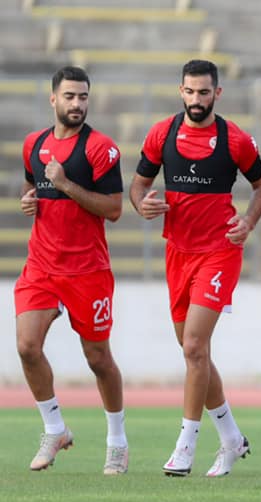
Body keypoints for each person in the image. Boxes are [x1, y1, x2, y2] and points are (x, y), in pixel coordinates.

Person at [130, 59, 261, 477]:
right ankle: (231, 438)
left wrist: (247, 222)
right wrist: (143, 203)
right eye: (190, 92)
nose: (196, 100)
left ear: (217, 94)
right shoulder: (162, 133)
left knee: (194, 346)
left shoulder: (235, 140)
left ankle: (185, 445)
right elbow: (138, 184)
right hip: (177, 252)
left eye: (204, 93)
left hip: (219, 252)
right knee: (195, 352)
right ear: (181, 91)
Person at [16, 66, 128, 475]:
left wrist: (65, 185)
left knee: (98, 358)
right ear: (53, 100)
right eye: (69, 97)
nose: (77, 104)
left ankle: (117, 440)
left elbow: (114, 209)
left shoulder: (101, 149)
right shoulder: (33, 144)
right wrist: (30, 200)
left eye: (83, 97)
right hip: (42, 265)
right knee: (27, 347)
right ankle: (54, 429)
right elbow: (32, 187)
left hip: (87, 269)